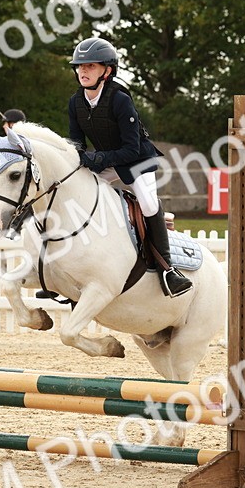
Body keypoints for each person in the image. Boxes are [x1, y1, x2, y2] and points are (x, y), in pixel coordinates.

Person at [67, 36, 191, 297]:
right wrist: (81, 159)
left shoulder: (120, 99)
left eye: (90, 66)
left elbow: (131, 150)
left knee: (147, 203)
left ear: (107, 71)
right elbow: (76, 143)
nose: (83, 71)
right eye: (80, 66)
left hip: (137, 161)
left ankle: (167, 269)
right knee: (79, 190)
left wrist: (96, 159)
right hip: (109, 161)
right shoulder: (75, 103)